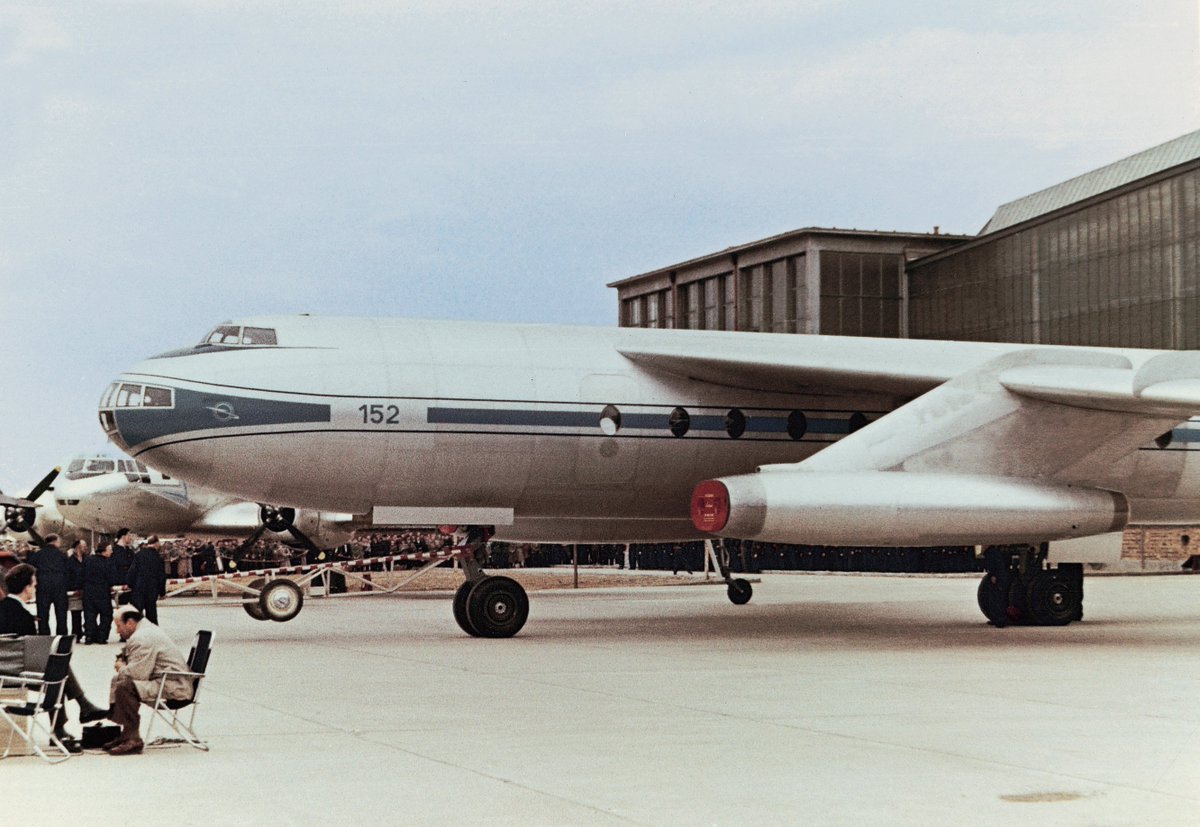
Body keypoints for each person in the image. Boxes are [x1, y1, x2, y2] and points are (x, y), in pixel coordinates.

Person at [0, 564, 109, 753]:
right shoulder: (24, 616)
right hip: (13, 674)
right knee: (56, 673)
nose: (35, 588)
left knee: (57, 672)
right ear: (27, 588)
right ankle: (66, 724)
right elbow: (33, 654)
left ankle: (75, 715)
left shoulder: (4, 608)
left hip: (6, 668)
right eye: (34, 585)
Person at [104, 606, 192, 755]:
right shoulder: (147, 630)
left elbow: (137, 674)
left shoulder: (142, 637)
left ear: (130, 622)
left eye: (118, 626)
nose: (117, 631)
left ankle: (133, 739)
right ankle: (126, 733)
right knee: (120, 681)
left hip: (173, 688)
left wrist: (121, 666)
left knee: (125, 686)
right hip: (170, 681)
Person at [27, 534, 69, 635]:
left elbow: (30, 567)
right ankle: (62, 637)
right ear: (55, 541)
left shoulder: (38, 554)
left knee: (43, 614)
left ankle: (44, 636)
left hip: (43, 586)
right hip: (60, 587)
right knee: (61, 615)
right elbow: (68, 571)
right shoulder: (62, 555)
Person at [126, 535, 166, 624]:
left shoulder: (139, 555)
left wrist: (130, 584)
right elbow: (161, 576)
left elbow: (132, 571)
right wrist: (162, 592)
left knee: (136, 613)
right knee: (151, 613)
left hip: (139, 588)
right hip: (152, 589)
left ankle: (128, 633)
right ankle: (153, 634)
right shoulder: (158, 558)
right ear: (155, 543)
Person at [83, 541, 117, 644]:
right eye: (110, 549)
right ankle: (101, 636)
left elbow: (82, 575)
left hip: (88, 591)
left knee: (90, 614)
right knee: (106, 614)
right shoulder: (108, 562)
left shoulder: (88, 560)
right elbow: (112, 578)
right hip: (102, 592)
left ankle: (89, 636)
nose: (111, 552)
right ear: (104, 551)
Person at [66, 538, 89, 642]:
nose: (85, 548)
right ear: (77, 547)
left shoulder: (87, 559)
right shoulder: (69, 561)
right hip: (75, 589)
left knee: (89, 612)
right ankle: (77, 633)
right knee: (76, 613)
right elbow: (68, 576)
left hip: (87, 588)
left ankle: (88, 630)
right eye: (83, 546)